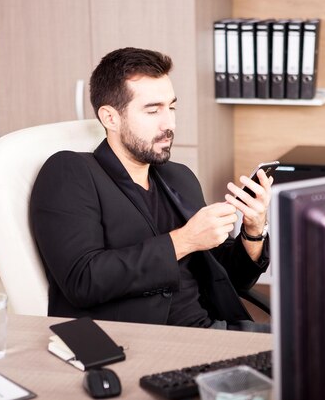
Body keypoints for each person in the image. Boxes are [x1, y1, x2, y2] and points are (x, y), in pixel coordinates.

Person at [30, 47, 272, 332]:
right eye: (152, 110)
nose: (169, 123)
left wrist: (253, 231)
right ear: (110, 118)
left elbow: (227, 279)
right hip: (141, 341)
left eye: (171, 107)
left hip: (213, 329)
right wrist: (184, 240)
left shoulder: (178, 177)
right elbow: (83, 280)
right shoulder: (71, 172)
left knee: (321, 340)